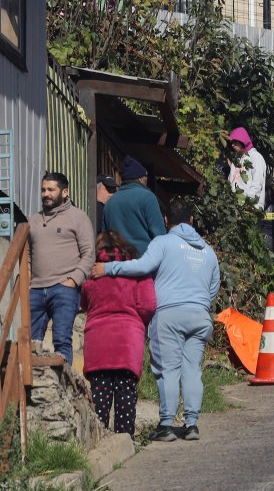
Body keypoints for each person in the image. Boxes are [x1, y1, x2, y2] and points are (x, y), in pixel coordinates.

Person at [91, 199, 220, 442]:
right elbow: (213, 289)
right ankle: (192, 424)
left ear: (165, 220)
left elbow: (143, 266)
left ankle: (167, 425)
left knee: (168, 370)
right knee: (192, 369)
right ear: (192, 220)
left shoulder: (162, 242)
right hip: (200, 315)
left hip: (169, 315)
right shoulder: (208, 250)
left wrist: (108, 269)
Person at [81, 231, 156, 436]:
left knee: (100, 398)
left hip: (98, 340)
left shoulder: (92, 273)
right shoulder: (137, 272)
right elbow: (148, 306)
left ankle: (100, 440)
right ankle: (125, 440)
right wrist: (136, 323)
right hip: (127, 340)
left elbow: (84, 302)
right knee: (125, 397)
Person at [28, 172, 95, 365]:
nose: (46, 194)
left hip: (63, 288)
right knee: (32, 342)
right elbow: (27, 255)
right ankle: (37, 389)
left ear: (65, 192)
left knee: (62, 339)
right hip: (36, 289)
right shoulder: (33, 220)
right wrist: (27, 280)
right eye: (43, 190)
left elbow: (89, 253)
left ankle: (63, 388)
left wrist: (72, 281)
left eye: (51, 190)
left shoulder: (78, 217)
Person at [101, 156, 166, 255]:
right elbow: (159, 234)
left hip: (117, 263)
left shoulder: (110, 202)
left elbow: (105, 237)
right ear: (140, 178)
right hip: (143, 262)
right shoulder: (148, 198)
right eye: (146, 177)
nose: (147, 180)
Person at [227, 127, 267, 210]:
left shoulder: (256, 157)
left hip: (250, 208)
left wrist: (247, 203)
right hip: (234, 208)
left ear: (242, 140)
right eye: (231, 142)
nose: (232, 145)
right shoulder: (237, 161)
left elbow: (257, 183)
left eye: (235, 141)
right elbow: (230, 182)